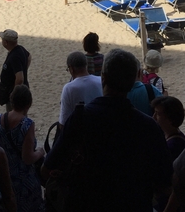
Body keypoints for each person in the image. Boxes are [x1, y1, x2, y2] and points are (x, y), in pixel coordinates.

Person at [42, 49, 172, 212]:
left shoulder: (80, 118)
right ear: (135, 78)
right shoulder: (148, 126)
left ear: (103, 77)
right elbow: (165, 184)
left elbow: (48, 169)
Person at [0, 85, 45, 212]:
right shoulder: (27, 124)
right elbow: (27, 158)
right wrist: (40, 152)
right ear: (29, 104)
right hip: (23, 182)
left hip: (3, 178)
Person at [59, 51, 102, 129]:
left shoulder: (69, 88)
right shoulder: (100, 81)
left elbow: (63, 123)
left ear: (71, 69)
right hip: (100, 130)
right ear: (86, 65)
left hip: (80, 134)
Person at [0, 30, 31, 111]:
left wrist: (14, 93)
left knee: (14, 116)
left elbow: (20, 79)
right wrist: (24, 69)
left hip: (17, 96)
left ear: (6, 42)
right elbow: (29, 56)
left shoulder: (14, 57)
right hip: (22, 90)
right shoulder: (20, 49)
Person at [151, 96, 185, 161]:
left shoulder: (174, 146)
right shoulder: (169, 135)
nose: (154, 117)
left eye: (158, 114)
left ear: (170, 118)